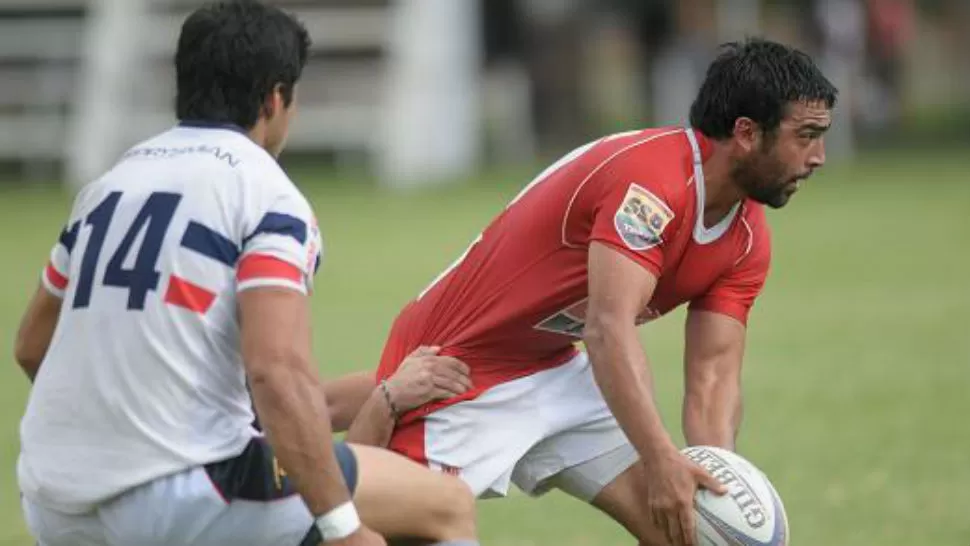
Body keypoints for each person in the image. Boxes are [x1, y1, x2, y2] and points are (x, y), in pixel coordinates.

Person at [13, 2, 478, 545]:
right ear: (276, 98)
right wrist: (343, 528)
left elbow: (30, 345)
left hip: (54, 499)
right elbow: (276, 372)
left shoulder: (107, 188)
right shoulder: (265, 193)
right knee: (444, 507)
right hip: (185, 491)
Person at [342, 38, 837, 546]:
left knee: (683, 525)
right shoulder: (652, 186)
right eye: (806, 136)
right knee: (373, 532)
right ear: (747, 133)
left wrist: (718, 485)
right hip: (454, 370)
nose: (819, 157)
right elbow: (607, 329)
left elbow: (712, 377)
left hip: (554, 366)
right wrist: (661, 457)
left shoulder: (748, 237)